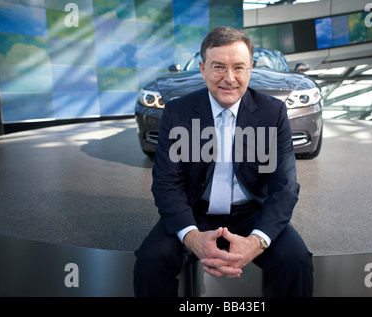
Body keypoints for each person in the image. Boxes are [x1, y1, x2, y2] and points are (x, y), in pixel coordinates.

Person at [133, 26, 313, 297]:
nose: (229, 78)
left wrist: (255, 242)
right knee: (150, 261)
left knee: (296, 260)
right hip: (195, 210)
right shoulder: (177, 113)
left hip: (253, 210)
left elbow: (284, 186)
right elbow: (166, 184)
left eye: (239, 67)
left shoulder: (272, 112)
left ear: (250, 69)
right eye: (218, 67)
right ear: (203, 69)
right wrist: (193, 238)